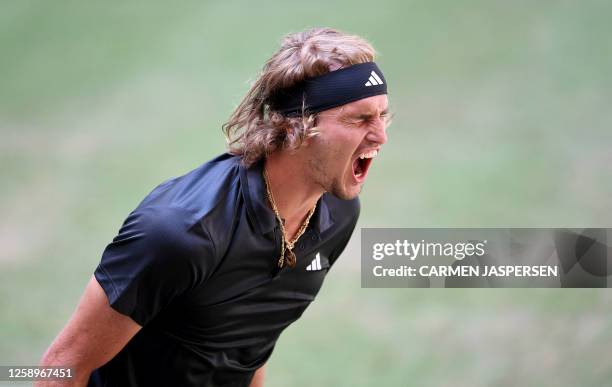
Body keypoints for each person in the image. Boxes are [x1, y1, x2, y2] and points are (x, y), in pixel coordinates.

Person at [37, 27, 390, 387]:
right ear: (297, 126)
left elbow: (250, 346)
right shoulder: (180, 233)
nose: (381, 135)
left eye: (383, 115)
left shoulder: (337, 213)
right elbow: (59, 367)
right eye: (359, 119)